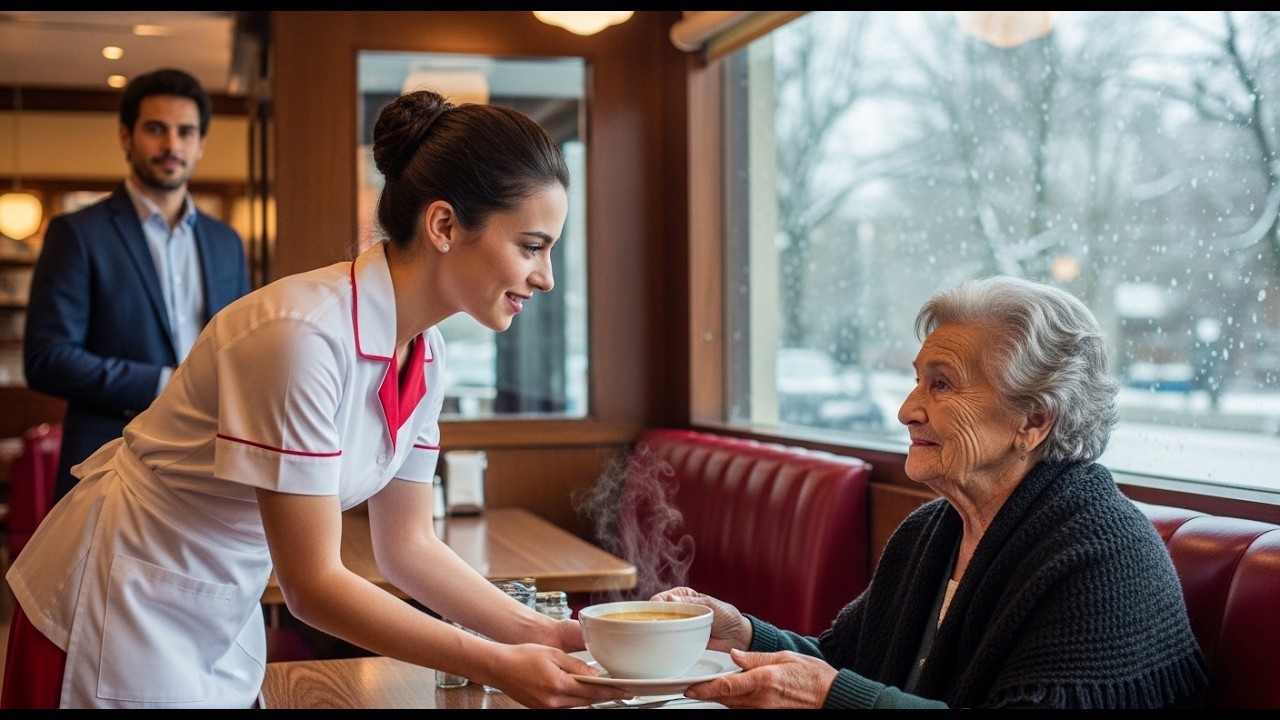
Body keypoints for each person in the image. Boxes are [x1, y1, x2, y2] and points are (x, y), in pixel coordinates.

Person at [1, 88, 628, 709]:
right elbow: (313, 587)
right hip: (113, 599)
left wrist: (547, 635)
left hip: (211, 601)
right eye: (531, 246)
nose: (545, 277)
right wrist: (499, 663)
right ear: (442, 225)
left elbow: (408, 547)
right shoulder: (299, 335)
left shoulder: (426, 355)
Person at [654, 275, 1209, 709]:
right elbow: (843, 666)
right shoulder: (932, 532)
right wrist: (742, 633)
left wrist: (832, 697)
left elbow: (839, 691)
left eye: (940, 384)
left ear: (1034, 420)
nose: (906, 409)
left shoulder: (1103, 558)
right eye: (917, 379)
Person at [23, 67, 251, 501]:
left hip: (208, 468)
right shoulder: (78, 233)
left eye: (185, 132)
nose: (171, 145)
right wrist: (166, 382)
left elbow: (240, 350)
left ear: (201, 143)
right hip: (106, 461)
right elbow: (47, 358)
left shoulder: (226, 243)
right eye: (155, 129)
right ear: (126, 136)